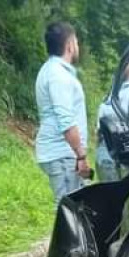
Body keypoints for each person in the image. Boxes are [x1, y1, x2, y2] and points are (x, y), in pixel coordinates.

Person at [35, 22, 90, 204]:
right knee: (69, 210)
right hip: (62, 154)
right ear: (69, 45)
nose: (77, 47)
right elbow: (66, 121)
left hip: (62, 153)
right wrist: (80, 155)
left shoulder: (52, 71)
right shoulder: (58, 76)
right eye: (76, 42)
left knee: (71, 209)